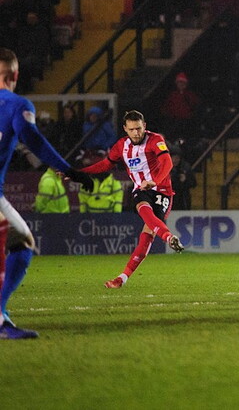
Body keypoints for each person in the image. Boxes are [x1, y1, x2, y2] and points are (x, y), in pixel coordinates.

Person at [0, 49, 93, 339]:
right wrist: (70, 170)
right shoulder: (16, 105)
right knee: (22, 243)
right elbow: (34, 141)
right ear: (15, 75)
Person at [78, 111, 185, 288]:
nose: (136, 133)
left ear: (144, 126)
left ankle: (123, 278)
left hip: (162, 190)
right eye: (132, 129)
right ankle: (168, 237)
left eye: (139, 128)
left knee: (147, 236)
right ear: (125, 129)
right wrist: (79, 173)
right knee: (142, 207)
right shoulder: (121, 146)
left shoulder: (155, 140)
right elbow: (105, 164)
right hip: (141, 189)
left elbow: (167, 163)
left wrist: (155, 181)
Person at [169, 146, 196, 211]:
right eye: (173, 158)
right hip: (168, 199)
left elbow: (193, 183)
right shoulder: (164, 167)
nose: (175, 160)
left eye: (177, 158)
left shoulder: (185, 167)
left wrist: (185, 180)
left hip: (183, 199)